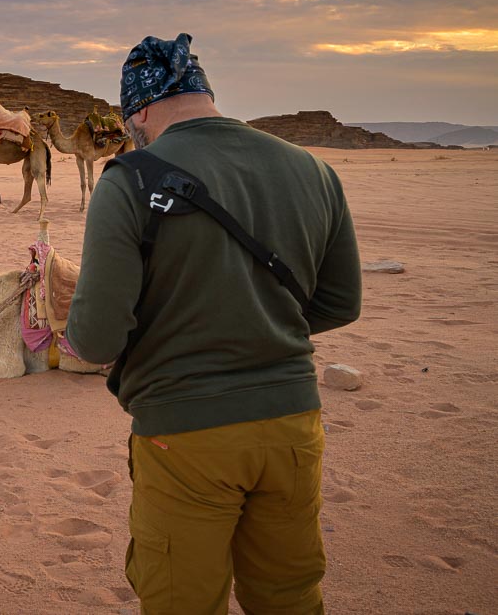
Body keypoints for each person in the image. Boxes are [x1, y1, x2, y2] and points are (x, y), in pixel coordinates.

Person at [66, 33, 361, 614]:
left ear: (140, 111)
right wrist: (259, 325)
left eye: (132, 121)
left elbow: (96, 336)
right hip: (293, 425)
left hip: (185, 434)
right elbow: (340, 302)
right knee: (291, 595)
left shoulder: (131, 179)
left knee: (184, 600)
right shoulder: (314, 170)